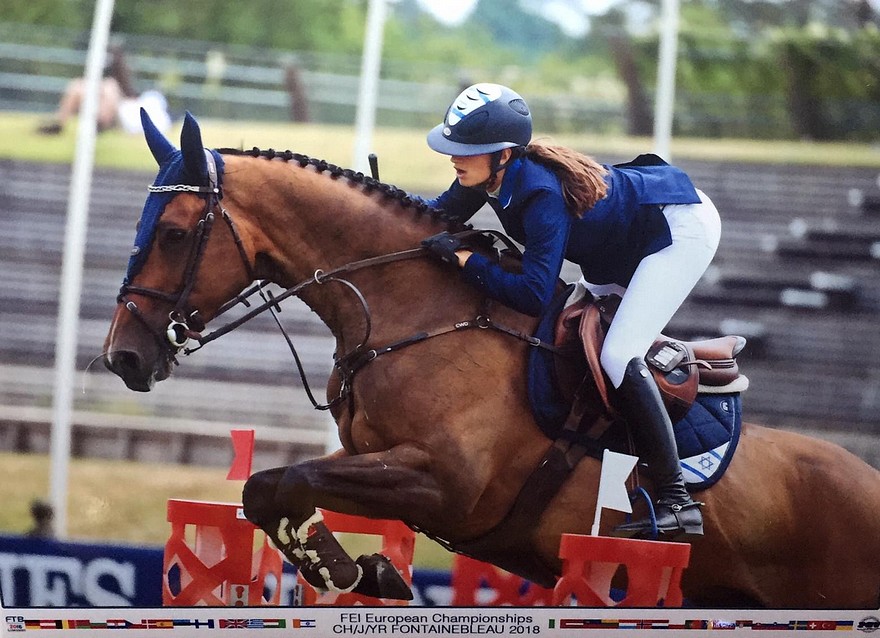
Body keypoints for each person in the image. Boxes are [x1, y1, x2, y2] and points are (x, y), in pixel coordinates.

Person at [420, 83, 721, 539]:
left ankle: (678, 500)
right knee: (573, 329)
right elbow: (433, 212)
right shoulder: (486, 176)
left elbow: (533, 292)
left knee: (619, 355)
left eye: (466, 148)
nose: (453, 157)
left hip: (676, 230)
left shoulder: (541, 195)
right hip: (617, 245)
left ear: (502, 154)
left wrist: (466, 262)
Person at [38, 45, 171, 136]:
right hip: (106, 108)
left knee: (105, 88)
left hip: (113, 113)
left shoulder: (115, 87)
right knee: (78, 87)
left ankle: (97, 124)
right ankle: (60, 122)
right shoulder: (104, 85)